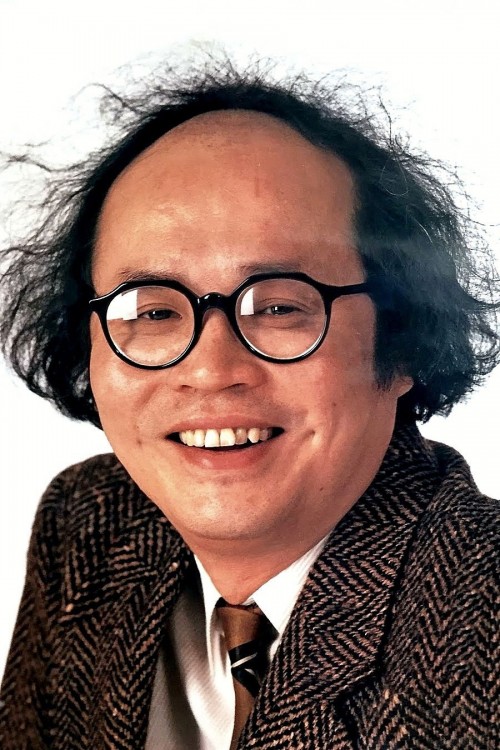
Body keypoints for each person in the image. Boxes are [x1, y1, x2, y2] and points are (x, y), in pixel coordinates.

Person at [0, 61, 498, 750]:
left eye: (281, 306)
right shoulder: (89, 525)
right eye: (152, 310)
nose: (210, 370)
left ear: (406, 337)